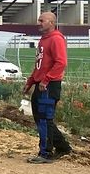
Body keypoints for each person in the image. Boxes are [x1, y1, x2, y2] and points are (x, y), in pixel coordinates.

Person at [22, 11, 73, 164]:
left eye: (41, 20)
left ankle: (45, 153)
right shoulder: (43, 40)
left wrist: (46, 80)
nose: (38, 23)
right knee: (41, 119)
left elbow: (61, 63)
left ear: (51, 23)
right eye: (38, 20)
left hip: (49, 86)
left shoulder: (56, 39)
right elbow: (40, 65)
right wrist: (31, 81)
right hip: (40, 84)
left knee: (44, 119)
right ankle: (63, 147)